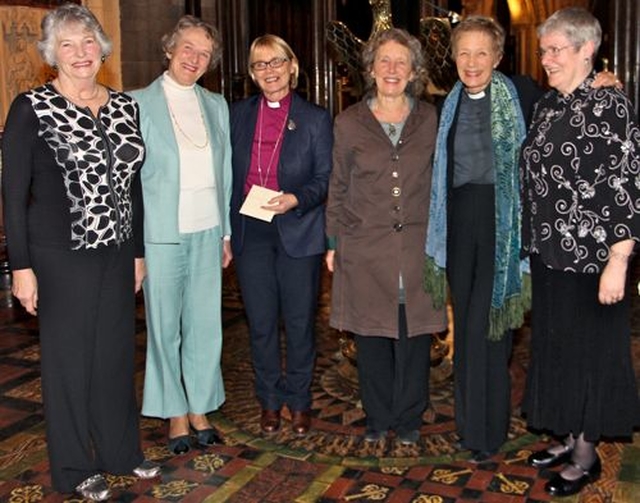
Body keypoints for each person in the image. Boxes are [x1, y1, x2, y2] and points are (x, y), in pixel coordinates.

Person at [424, 16, 622, 464]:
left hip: (504, 228)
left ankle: (488, 432)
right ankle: (467, 425)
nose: (472, 62)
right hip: (457, 227)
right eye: (463, 53)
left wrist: (603, 82)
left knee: (488, 330)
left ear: (498, 57)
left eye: (482, 53)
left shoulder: (526, 97)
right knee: (467, 335)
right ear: (453, 59)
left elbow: (577, 101)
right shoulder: (446, 106)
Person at [1, 4, 160, 501]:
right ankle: (72, 468)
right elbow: (12, 193)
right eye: (67, 45)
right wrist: (20, 268)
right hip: (58, 256)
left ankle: (120, 452)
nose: (80, 53)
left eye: (88, 42)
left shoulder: (123, 106)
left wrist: (136, 253)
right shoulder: (32, 108)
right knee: (69, 363)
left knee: (114, 357)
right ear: (52, 54)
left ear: (102, 48)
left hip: (116, 253)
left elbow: (131, 186)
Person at [520, 7, 640, 497]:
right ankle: (568, 435)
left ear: (587, 49)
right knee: (559, 350)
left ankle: (587, 454)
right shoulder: (548, 105)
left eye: (556, 49)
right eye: (543, 49)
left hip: (595, 262)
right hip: (550, 256)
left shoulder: (612, 106)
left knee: (592, 356)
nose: (546, 58)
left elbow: (627, 185)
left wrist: (619, 260)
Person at [326, 28, 446, 445]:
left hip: (418, 248)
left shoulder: (430, 118)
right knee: (372, 336)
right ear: (371, 68)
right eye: (384, 61)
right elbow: (338, 185)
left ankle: (410, 417)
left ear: (414, 70)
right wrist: (333, 242)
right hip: (364, 246)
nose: (392, 69)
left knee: (415, 337)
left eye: (401, 62)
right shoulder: (348, 122)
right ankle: (378, 417)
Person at [130, 15, 232, 455]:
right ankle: (174, 412)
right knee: (165, 326)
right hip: (161, 235)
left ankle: (200, 408)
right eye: (187, 48)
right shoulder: (135, 103)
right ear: (169, 49)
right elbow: (129, 181)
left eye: (204, 53)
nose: (194, 58)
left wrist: (226, 232)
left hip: (208, 230)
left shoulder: (216, 105)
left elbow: (224, 173)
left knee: (207, 326)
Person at [230, 35, 332, 436]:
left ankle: (300, 402)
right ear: (253, 74)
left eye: (276, 62)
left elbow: (326, 178)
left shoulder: (315, 118)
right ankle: (270, 401)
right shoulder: (236, 114)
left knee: (300, 322)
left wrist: (296, 198)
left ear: (292, 65)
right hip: (250, 229)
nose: (269, 71)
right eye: (260, 65)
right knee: (260, 322)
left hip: (298, 229)